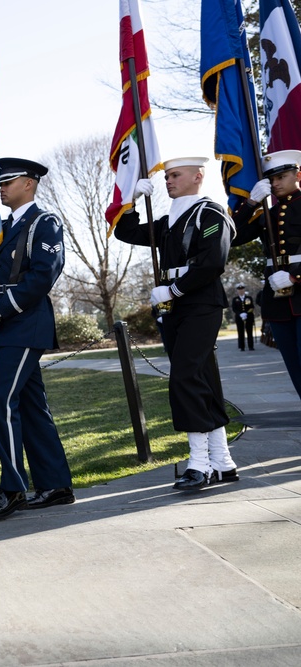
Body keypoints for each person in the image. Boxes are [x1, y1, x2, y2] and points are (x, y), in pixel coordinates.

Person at [0, 158, 74, 522]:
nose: (2, 187)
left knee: (0, 400)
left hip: (26, 321)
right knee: (32, 406)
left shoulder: (45, 223)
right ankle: (55, 485)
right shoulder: (1, 227)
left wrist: (1, 307)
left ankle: (12, 488)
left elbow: (42, 277)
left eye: (9, 182)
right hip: (9, 324)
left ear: (30, 184)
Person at [116, 157, 239, 489]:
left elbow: (213, 261)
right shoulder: (170, 221)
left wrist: (173, 288)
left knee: (184, 377)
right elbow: (125, 232)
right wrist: (129, 202)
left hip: (199, 302)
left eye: (175, 175)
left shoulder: (209, 213)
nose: (168, 180)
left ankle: (200, 463)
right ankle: (223, 461)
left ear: (198, 176)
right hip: (173, 306)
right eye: (166, 176)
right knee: (201, 378)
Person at [231, 149, 301, 399]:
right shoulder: (268, 216)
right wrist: (250, 203)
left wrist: (295, 277)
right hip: (278, 301)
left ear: (298, 175)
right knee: (294, 367)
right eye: (272, 179)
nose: (275, 183)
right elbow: (231, 237)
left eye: (281, 176)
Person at [230, 283, 255, 351]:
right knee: (240, 332)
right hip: (239, 317)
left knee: (249, 331)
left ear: (244, 290)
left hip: (248, 317)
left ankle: (251, 346)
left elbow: (252, 307)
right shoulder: (235, 299)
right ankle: (242, 346)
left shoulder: (248, 298)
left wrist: (246, 313)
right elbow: (234, 308)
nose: (241, 291)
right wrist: (240, 314)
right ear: (237, 291)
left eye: (242, 289)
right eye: (239, 289)